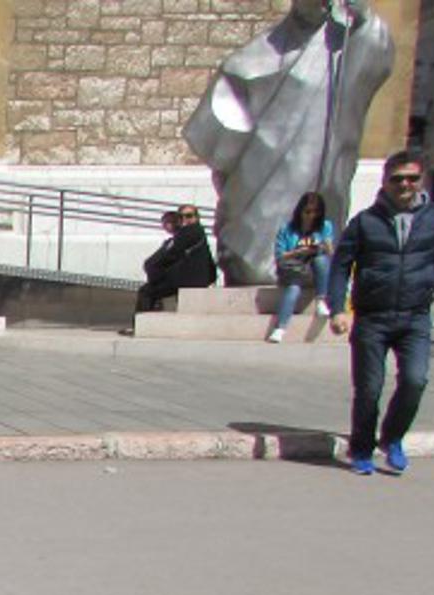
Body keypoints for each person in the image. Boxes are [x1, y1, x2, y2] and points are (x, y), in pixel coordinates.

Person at [185, 0, 392, 285]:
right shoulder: (253, 54)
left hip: (317, 162)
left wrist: (364, 21)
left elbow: (375, 54)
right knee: (253, 248)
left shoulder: (344, 44)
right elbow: (221, 123)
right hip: (259, 168)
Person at [326, 150, 434, 475]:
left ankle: (392, 438)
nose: (405, 185)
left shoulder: (433, 220)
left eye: (412, 178)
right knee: (369, 389)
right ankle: (361, 449)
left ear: (421, 181)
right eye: (397, 179)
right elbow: (340, 266)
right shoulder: (365, 222)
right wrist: (338, 308)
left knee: (415, 380)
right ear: (385, 181)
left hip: (415, 317)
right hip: (372, 318)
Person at [267, 192, 334, 343]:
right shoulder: (287, 229)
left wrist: (327, 245)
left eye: (316, 212)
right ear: (300, 211)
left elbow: (331, 255)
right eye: (307, 212)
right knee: (293, 289)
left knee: (321, 259)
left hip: (315, 271)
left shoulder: (325, 226)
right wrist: (299, 252)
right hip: (293, 270)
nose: (311, 216)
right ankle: (280, 328)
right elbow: (280, 256)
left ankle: (321, 300)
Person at [135, 205, 218, 312]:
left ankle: (144, 321)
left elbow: (164, 256)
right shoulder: (196, 235)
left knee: (146, 291)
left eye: (189, 216)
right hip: (189, 279)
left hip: (188, 280)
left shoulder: (192, 230)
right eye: (181, 217)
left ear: (197, 217)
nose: (185, 219)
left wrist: (154, 274)